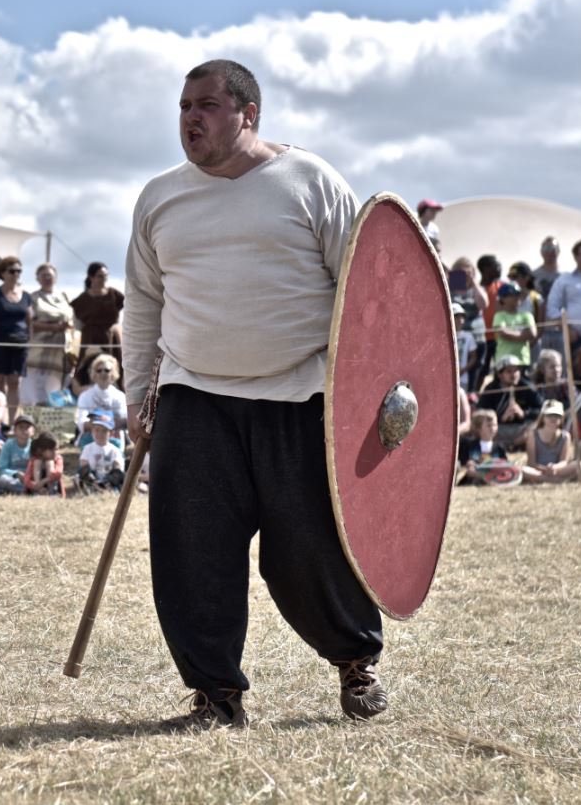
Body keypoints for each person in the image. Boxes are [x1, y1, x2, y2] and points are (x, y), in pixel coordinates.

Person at [124, 59, 386, 729]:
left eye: (207, 104)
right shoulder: (159, 198)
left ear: (248, 113)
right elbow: (144, 304)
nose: (191, 117)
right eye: (183, 104)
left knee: (306, 548)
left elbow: (362, 295)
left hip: (299, 394)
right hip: (193, 394)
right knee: (191, 550)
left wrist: (367, 394)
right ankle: (214, 696)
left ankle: (354, 662)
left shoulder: (310, 181)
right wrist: (136, 393)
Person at [0, 255, 33, 411]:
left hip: (20, 344)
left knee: (15, 381)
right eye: (12, 271)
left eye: (19, 271)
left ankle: (11, 422)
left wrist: (30, 340)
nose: (15, 274)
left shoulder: (26, 296)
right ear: (3, 273)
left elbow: (30, 321)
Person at [24, 263, 74, 406]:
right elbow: (29, 323)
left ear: (55, 277)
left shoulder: (64, 297)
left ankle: (54, 418)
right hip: (38, 350)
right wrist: (54, 327)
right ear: (37, 278)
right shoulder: (33, 298)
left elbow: (72, 320)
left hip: (60, 350)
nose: (47, 278)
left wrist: (65, 328)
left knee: (56, 388)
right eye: (43, 275)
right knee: (36, 389)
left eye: (50, 275)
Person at [70, 262, 123, 389]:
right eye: (100, 276)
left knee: (112, 368)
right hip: (90, 338)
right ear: (91, 277)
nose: (104, 279)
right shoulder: (82, 299)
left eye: (105, 276)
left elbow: (122, 315)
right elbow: (77, 323)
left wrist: (116, 329)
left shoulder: (114, 295)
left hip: (111, 338)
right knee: (90, 367)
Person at [521, 401, 579, 484]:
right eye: (549, 415)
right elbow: (531, 462)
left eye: (557, 416)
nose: (553, 419)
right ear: (543, 417)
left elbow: (564, 461)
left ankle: (545, 479)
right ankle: (554, 480)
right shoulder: (533, 435)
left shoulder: (565, 436)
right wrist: (544, 469)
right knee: (522, 470)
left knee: (579, 464)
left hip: (557, 470)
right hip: (538, 470)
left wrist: (554, 468)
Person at [76, 353, 128, 441]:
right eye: (99, 370)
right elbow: (81, 422)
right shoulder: (85, 396)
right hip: (90, 438)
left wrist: (105, 424)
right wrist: (101, 425)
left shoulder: (120, 396)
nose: (103, 373)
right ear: (94, 374)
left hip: (115, 437)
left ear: (113, 373)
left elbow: (124, 420)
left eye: (107, 370)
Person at [457, 410, 511, 486]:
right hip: (475, 475)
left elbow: (504, 464)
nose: (493, 428)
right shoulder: (470, 445)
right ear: (478, 428)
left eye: (495, 425)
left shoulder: (499, 448)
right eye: (489, 425)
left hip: (494, 474)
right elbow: (467, 466)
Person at [77, 413, 125, 492]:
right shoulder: (87, 448)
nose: (100, 433)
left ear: (111, 433)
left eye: (104, 431)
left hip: (109, 482)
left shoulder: (115, 450)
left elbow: (118, 468)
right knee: (81, 475)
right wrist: (93, 481)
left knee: (119, 477)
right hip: (92, 481)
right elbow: (84, 467)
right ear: (92, 431)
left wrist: (107, 482)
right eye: (97, 430)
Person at [491, 283, 536, 366]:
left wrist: (511, 333)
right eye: (513, 294)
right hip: (503, 361)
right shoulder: (499, 316)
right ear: (503, 298)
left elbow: (532, 334)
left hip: (523, 360)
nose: (517, 297)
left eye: (518, 294)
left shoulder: (527, 315)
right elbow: (504, 333)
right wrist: (523, 334)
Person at [0, 413, 36, 494]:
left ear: (33, 431)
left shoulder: (35, 446)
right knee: (3, 479)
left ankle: (24, 489)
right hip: (13, 478)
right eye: (21, 427)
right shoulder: (8, 445)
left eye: (27, 427)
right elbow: (1, 469)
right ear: (15, 431)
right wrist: (16, 474)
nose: (24, 430)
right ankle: (27, 490)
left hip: (30, 478)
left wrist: (29, 476)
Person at [23, 433, 64, 497]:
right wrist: (37, 486)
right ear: (41, 450)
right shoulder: (33, 460)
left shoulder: (58, 458)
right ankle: (36, 492)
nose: (55, 453)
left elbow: (59, 473)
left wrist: (44, 481)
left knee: (49, 463)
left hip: (50, 484)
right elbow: (27, 479)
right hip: (37, 487)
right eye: (51, 450)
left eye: (56, 449)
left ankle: (52, 492)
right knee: (37, 462)